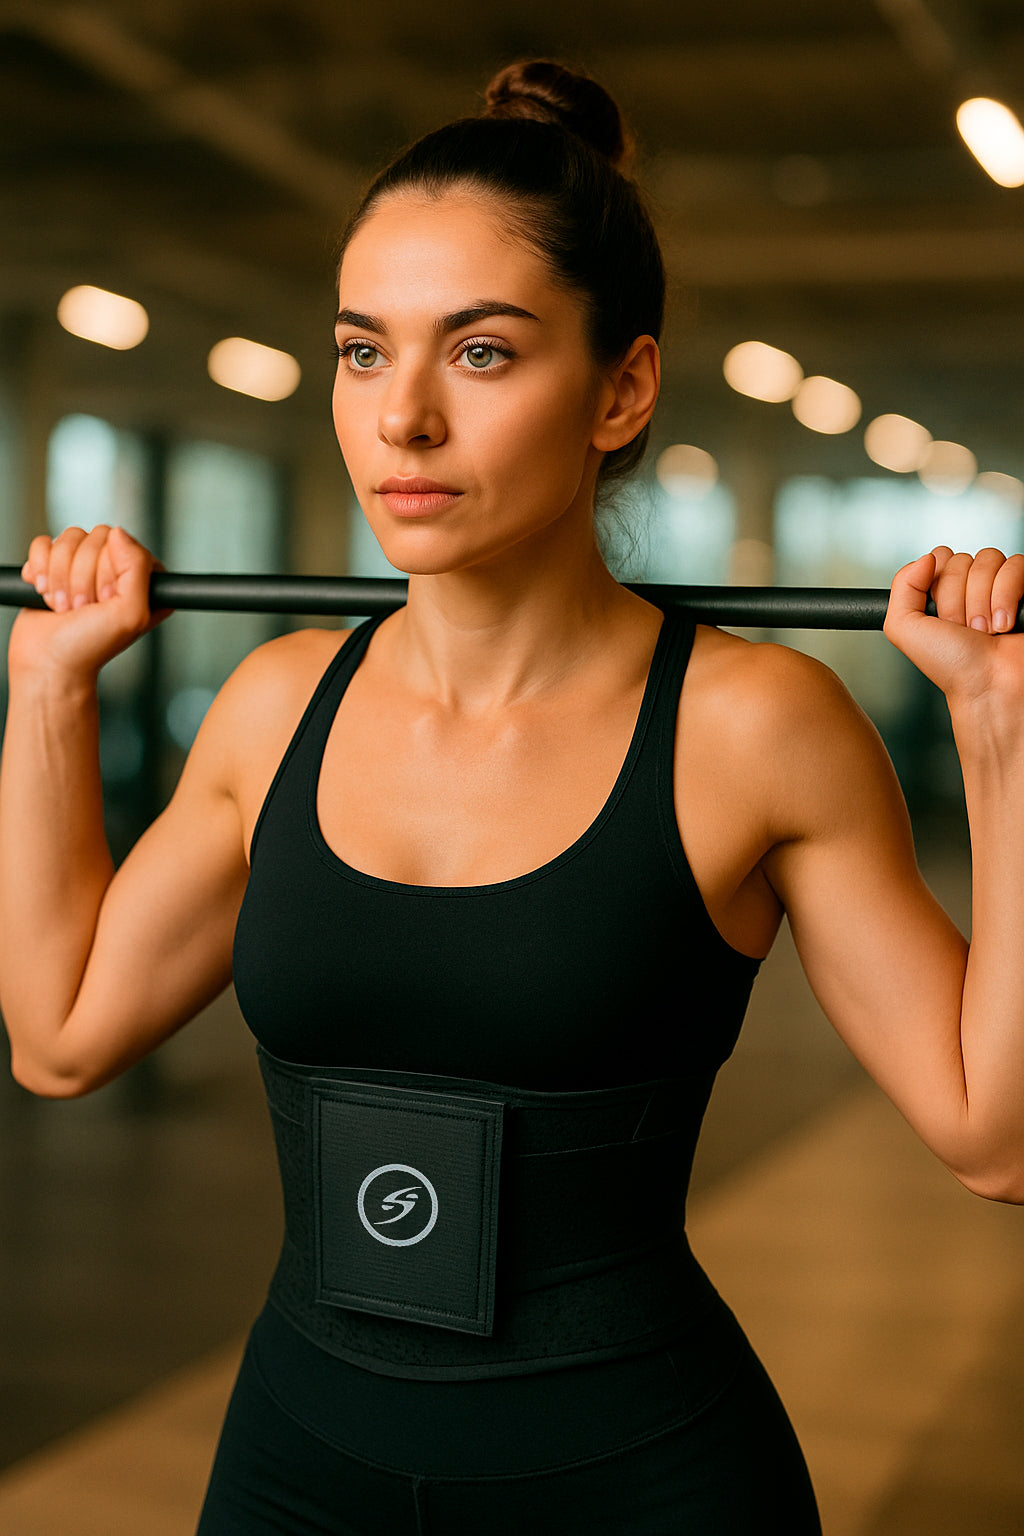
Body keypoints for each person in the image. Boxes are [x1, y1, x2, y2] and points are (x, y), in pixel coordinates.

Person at [2, 57, 1023, 1536]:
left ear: (622, 389)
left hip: (642, 1483)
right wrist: (48, 687)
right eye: (363, 352)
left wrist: (999, 730)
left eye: (480, 353)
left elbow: (998, 1137)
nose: (403, 418)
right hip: (298, 1469)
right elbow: (58, 1035)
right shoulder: (278, 705)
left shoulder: (751, 726)